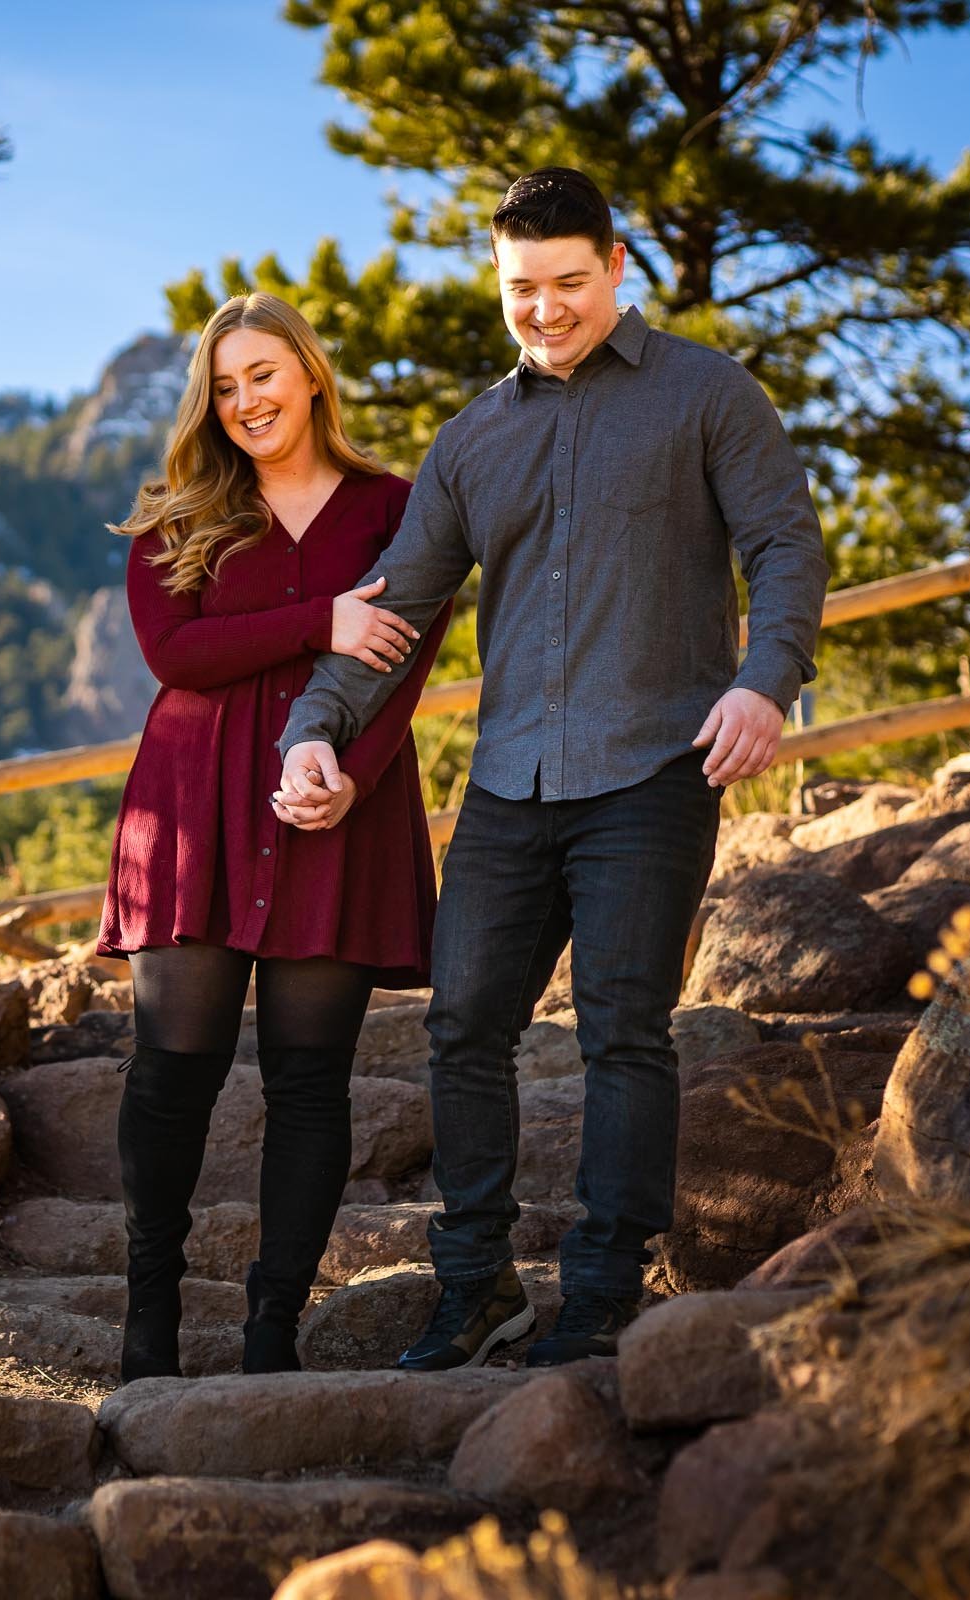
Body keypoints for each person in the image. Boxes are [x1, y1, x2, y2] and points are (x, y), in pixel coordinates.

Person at [275, 168, 829, 1370]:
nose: (546, 308)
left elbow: (786, 542)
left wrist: (765, 679)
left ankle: (603, 1289)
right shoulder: (471, 441)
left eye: (568, 283)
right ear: (499, 281)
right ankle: (475, 1283)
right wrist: (312, 729)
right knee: (464, 1022)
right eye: (522, 288)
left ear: (616, 269)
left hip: (655, 768)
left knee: (624, 1029)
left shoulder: (706, 394)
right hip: (510, 785)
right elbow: (396, 613)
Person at [99, 292, 450, 1382]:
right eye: (226, 384)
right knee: (172, 1074)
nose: (248, 399)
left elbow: (409, 654)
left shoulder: (394, 508)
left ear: (309, 375)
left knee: (311, 1081)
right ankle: (147, 1321)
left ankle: (271, 1331)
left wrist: (356, 776)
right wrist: (319, 621)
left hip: (338, 809)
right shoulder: (177, 515)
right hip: (195, 805)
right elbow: (178, 656)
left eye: (265, 373)